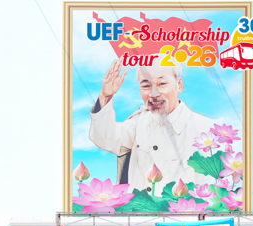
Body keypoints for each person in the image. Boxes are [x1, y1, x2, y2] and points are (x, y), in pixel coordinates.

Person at [89, 61, 215, 194]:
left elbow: (211, 188)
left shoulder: (206, 128)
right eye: (146, 86)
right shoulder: (138, 122)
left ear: (179, 85)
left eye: (162, 84)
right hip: (141, 206)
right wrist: (106, 96)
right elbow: (105, 138)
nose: (154, 94)